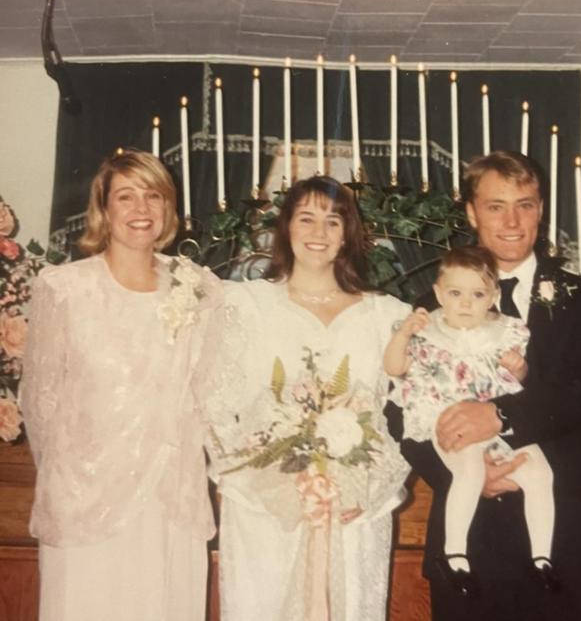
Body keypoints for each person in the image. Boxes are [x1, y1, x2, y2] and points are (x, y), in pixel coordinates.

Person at [387, 151, 581, 621]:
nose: (512, 221)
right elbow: (399, 410)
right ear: (472, 213)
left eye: (526, 204)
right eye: (496, 206)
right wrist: (457, 474)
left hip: (566, 534)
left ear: (541, 210)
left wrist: (500, 415)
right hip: (470, 535)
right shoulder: (427, 303)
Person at [196, 175, 411, 621]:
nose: (319, 233)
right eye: (306, 219)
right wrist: (264, 478)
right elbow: (212, 402)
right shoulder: (245, 305)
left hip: (354, 506)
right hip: (267, 508)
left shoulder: (386, 316)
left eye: (333, 222)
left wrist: (370, 485)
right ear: (285, 229)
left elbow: (411, 413)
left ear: (348, 234)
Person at [20, 149, 219, 621]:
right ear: (103, 209)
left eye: (153, 195)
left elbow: (211, 388)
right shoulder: (64, 289)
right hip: (86, 495)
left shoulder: (199, 288)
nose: (140, 208)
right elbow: (40, 401)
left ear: (168, 208)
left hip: (168, 495)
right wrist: (73, 474)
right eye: (125, 196)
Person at [384, 245, 556, 592]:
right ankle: (455, 555)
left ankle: (542, 557)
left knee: (540, 471)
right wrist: (403, 335)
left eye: (477, 294)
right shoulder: (425, 330)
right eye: (455, 293)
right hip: (446, 421)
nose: (465, 304)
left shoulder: (503, 331)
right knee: (471, 470)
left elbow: (521, 383)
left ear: (493, 296)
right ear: (438, 294)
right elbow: (394, 368)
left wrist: (518, 367)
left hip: (494, 427)